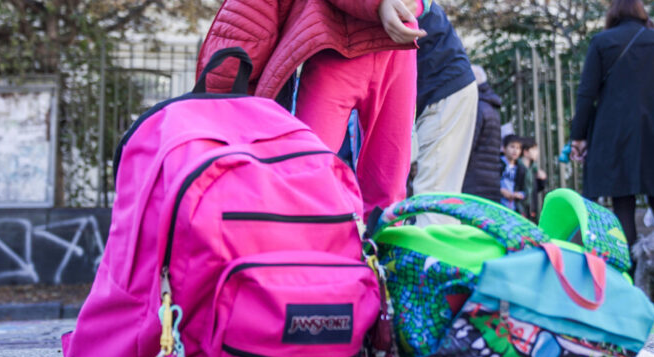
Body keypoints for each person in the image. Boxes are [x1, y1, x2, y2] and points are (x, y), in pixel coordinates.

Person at [195, 0, 430, 219]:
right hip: (335, 46)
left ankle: (381, 256)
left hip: (395, 48)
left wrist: (418, 3)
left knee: (388, 187)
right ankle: (302, 252)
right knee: (307, 177)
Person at [570, 0, 654, 252]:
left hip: (615, 133)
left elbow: (586, 94)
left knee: (622, 204)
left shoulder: (602, 42)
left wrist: (579, 136)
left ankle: (627, 276)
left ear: (613, 12)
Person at [410, 1, 477, 226]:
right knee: (438, 190)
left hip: (443, 87)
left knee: (434, 193)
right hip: (442, 84)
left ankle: (431, 258)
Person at [462, 65, 503, 203]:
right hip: (491, 180)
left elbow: (468, 143)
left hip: (474, 179)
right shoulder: (490, 107)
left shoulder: (478, 107)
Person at [518, 137, 547, 221]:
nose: (537, 152)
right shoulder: (518, 167)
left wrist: (543, 180)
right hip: (520, 208)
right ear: (526, 152)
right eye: (534, 149)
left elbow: (536, 189)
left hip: (531, 208)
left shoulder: (534, 168)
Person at [499, 135, 526, 212]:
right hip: (497, 204)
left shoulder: (521, 169)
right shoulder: (497, 164)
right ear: (504, 148)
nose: (515, 150)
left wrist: (519, 195)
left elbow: (525, 190)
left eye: (518, 148)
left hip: (513, 209)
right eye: (512, 147)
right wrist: (501, 190)